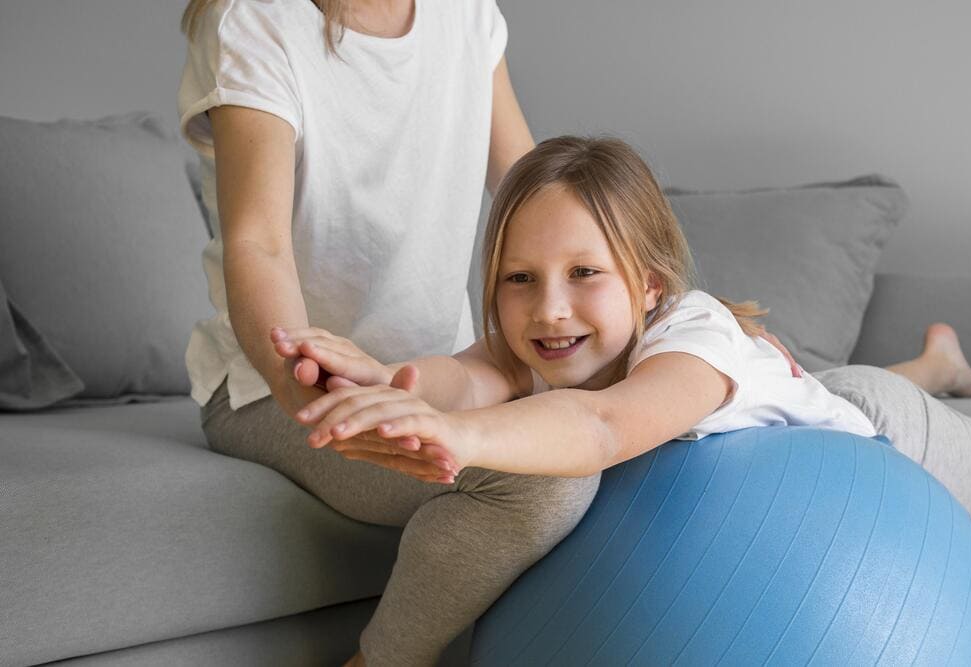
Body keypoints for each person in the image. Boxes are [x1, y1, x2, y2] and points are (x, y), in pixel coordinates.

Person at [278, 136, 971, 526]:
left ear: (649, 284)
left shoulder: (689, 333)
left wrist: (459, 436)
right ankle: (935, 359)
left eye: (585, 275)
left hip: (886, 437)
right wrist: (388, 381)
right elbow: (464, 378)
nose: (547, 309)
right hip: (816, 401)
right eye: (518, 279)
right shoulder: (535, 342)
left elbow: (603, 425)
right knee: (822, 383)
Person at [176, 2, 656, 665]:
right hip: (273, 385)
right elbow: (257, 245)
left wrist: (679, 325)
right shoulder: (255, 17)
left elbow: (534, 190)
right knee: (548, 480)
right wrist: (301, 381)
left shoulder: (465, 14)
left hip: (447, 373)